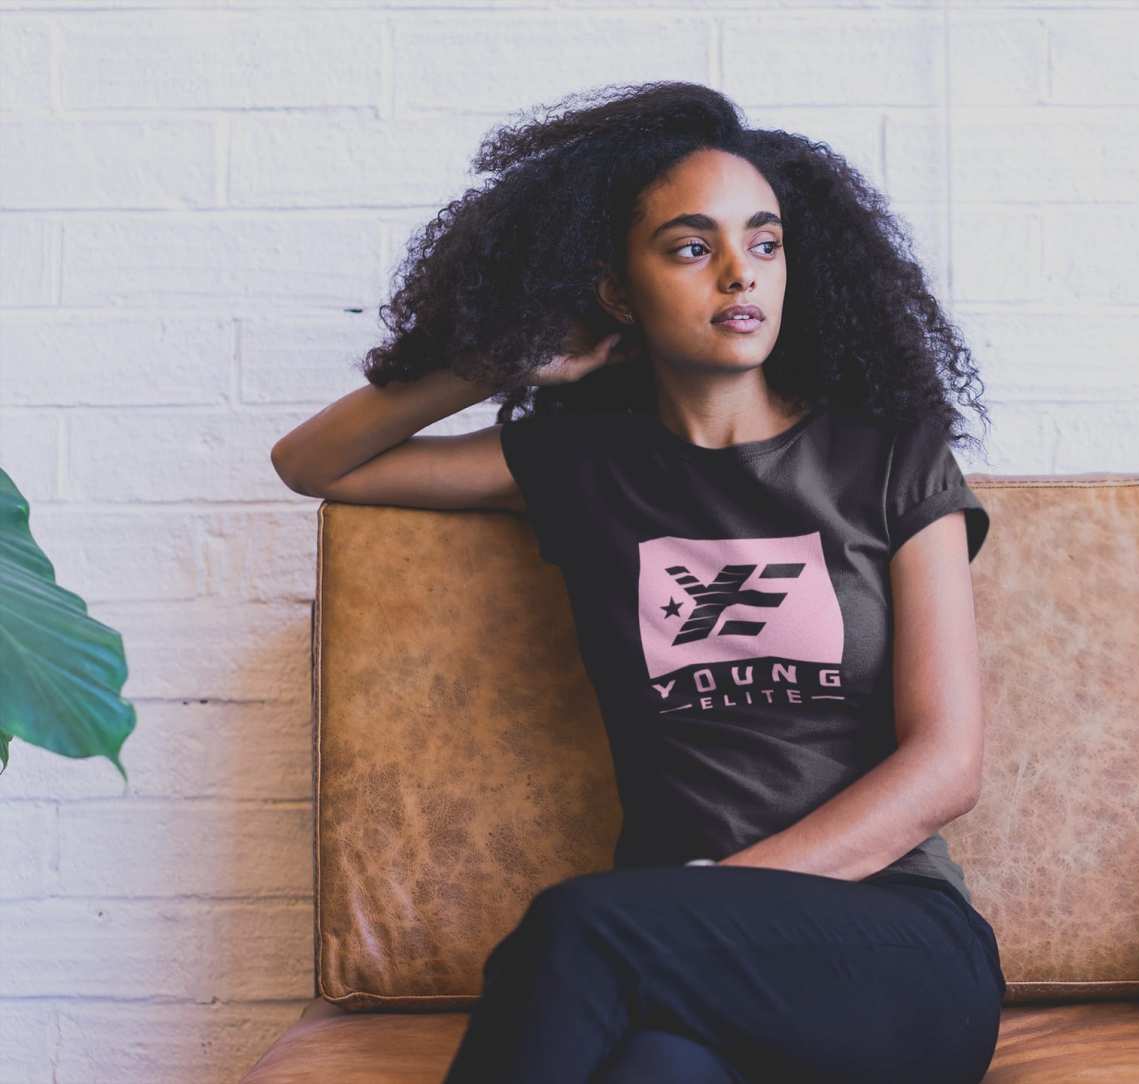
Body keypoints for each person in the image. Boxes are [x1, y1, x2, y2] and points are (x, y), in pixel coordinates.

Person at [271, 81, 1004, 1084]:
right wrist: (501, 360)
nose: (740, 272)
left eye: (764, 242)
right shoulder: (582, 467)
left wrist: (715, 894)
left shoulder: (888, 460)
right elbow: (313, 463)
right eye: (691, 247)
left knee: (579, 926)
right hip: (672, 956)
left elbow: (946, 764)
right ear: (618, 291)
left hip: (889, 948)